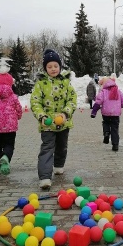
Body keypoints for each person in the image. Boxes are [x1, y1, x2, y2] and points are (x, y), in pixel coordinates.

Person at [30, 49, 77, 189]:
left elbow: (72, 100)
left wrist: (65, 114)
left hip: (63, 122)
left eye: (55, 66)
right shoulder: (41, 84)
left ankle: (58, 165)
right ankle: (44, 177)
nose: (53, 69)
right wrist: (41, 116)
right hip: (47, 124)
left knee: (62, 147)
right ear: (45, 68)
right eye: (49, 67)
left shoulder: (66, 83)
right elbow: (35, 102)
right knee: (47, 148)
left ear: (60, 67)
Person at [91, 77, 123, 151]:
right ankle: (115, 145)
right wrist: (120, 106)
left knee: (106, 123)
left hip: (106, 112)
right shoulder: (118, 91)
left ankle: (106, 133)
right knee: (115, 129)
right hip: (116, 114)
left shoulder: (103, 91)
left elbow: (98, 102)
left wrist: (94, 112)